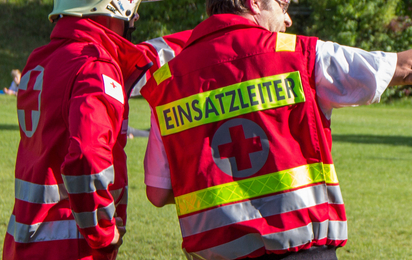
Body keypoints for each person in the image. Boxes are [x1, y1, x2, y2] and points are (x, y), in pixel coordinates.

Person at [140, 0, 412, 259]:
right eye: (283, 5)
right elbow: (402, 67)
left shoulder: (165, 84)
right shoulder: (300, 55)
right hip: (301, 252)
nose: (288, 18)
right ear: (253, 3)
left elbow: (158, 192)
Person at [2, 0, 154, 259]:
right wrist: (104, 234)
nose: (134, 23)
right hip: (69, 244)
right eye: (133, 15)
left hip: (23, 240)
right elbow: (87, 156)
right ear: (111, 9)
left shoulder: (40, 59)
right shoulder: (94, 65)